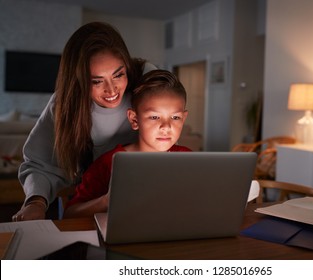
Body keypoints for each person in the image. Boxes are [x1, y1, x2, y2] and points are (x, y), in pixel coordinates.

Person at [12, 22, 156, 222]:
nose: (112, 90)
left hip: (145, 199)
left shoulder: (147, 79)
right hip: (88, 205)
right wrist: (35, 204)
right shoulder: (64, 103)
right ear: (78, 79)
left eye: (119, 75)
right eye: (96, 81)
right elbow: (39, 164)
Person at [63, 69, 191, 218]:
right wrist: (106, 201)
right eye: (154, 117)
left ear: (184, 118)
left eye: (175, 118)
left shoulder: (188, 158)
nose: (166, 127)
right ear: (134, 120)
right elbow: (70, 214)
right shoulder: (109, 163)